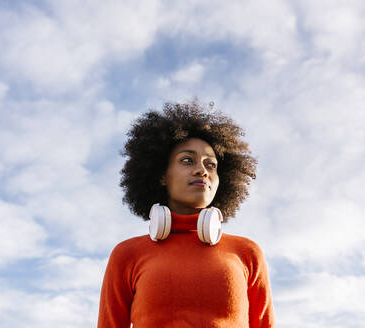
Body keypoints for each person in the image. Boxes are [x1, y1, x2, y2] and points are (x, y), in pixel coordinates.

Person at [97, 101, 275, 327]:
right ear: (162, 175)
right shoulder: (126, 255)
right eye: (187, 160)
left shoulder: (247, 253)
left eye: (211, 165)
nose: (202, 170)